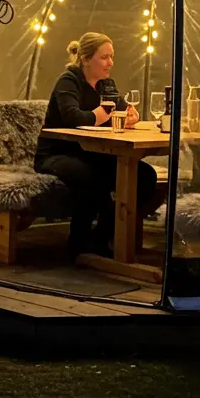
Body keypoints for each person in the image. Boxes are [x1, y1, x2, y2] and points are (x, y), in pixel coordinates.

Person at [35, 32, 158, 258]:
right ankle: (79, 242)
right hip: (58, 154)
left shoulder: (106, 84)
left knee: (145, 176)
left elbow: (123, 110)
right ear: (85, 58)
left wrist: (131, 115)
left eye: (112, 57)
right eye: (104, 57)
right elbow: (74, 118)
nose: (110, 63)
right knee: (89, 176)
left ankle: (103, 236)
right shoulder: (69, 80)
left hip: (93, 153)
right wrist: (105, 113)